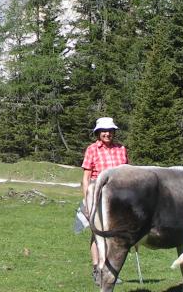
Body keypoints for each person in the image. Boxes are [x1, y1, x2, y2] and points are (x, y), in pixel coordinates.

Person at [81, 117, 128, 286]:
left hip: (119, 196)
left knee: (114, 234)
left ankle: (110, 270)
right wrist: (87, 200)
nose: (107, 134)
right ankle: (98, 269)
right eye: (103, 131)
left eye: (109, 130)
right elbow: (86, 177)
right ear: (98, 133)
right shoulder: (92, 149)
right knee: (97, 232)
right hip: (98, 193)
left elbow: (127, 174)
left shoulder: (121, 149)